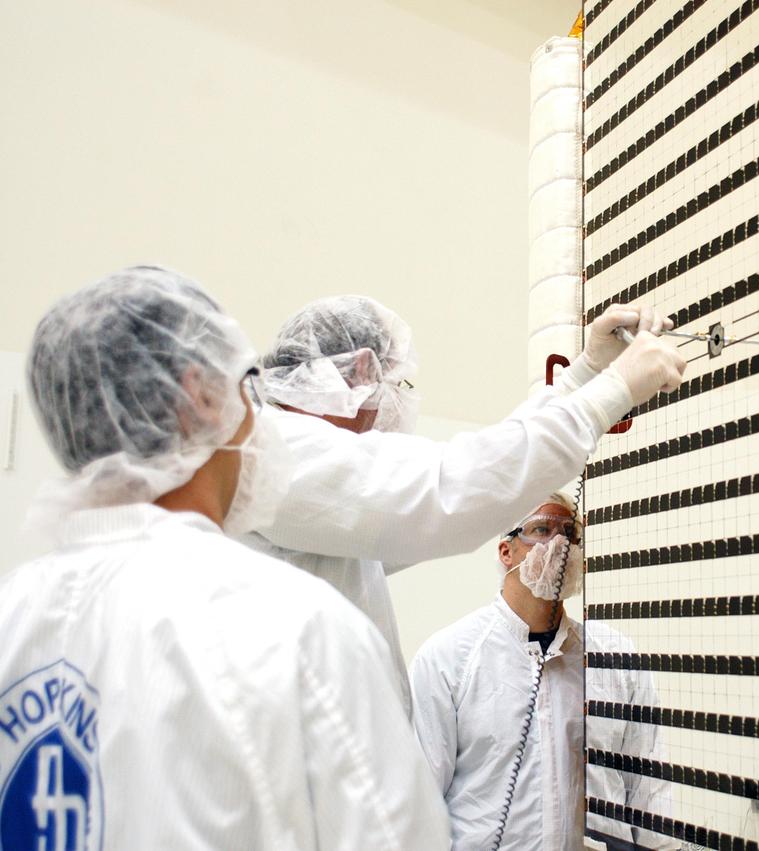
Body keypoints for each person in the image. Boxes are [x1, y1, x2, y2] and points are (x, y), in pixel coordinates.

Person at [0, 267, 450, 849]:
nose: (258, 413)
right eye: (247, 385)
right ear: (200, 396)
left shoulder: (14, 616)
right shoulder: (296, 629)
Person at [242, 296, 686, 710]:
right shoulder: (281, 454)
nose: (400, 403)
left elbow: (481, 478)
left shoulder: (306, 473)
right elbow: (456, 488)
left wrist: (585, 374)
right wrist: (612, 391)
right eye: (399, 383)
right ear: (361, 371)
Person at [409, 494, 674, 850]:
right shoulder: (449, 659)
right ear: (506, 551)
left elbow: (648, 788)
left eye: (570, 533)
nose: (560, 544)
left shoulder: (616, 658)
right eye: (542, 530)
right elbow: (421, 801)